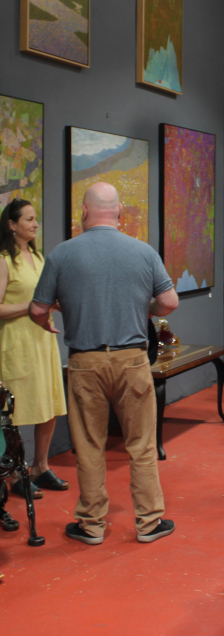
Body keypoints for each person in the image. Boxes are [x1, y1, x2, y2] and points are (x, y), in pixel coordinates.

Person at [30, 182, 180, 544]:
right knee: (141, 445)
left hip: (85, 362)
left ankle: (91, 524)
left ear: (83, 211)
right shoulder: (143, 252)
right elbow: (169, 303)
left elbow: (37, 308)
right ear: (119, 213)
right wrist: (138, 306)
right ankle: (148, 523)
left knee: (90, 445)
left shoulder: (62, 254)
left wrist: (57, 313)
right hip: (131, 361)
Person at [0, 199, 67, 500]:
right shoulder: (3, 260)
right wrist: (31, 307)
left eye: (35, 218)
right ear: (12, 225)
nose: (35, 224)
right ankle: (14, 472)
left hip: (42, 341)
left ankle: (41, 466)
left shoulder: (39, 258)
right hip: (16, 344)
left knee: (48, 405)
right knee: (12, 414)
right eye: (28, 219)